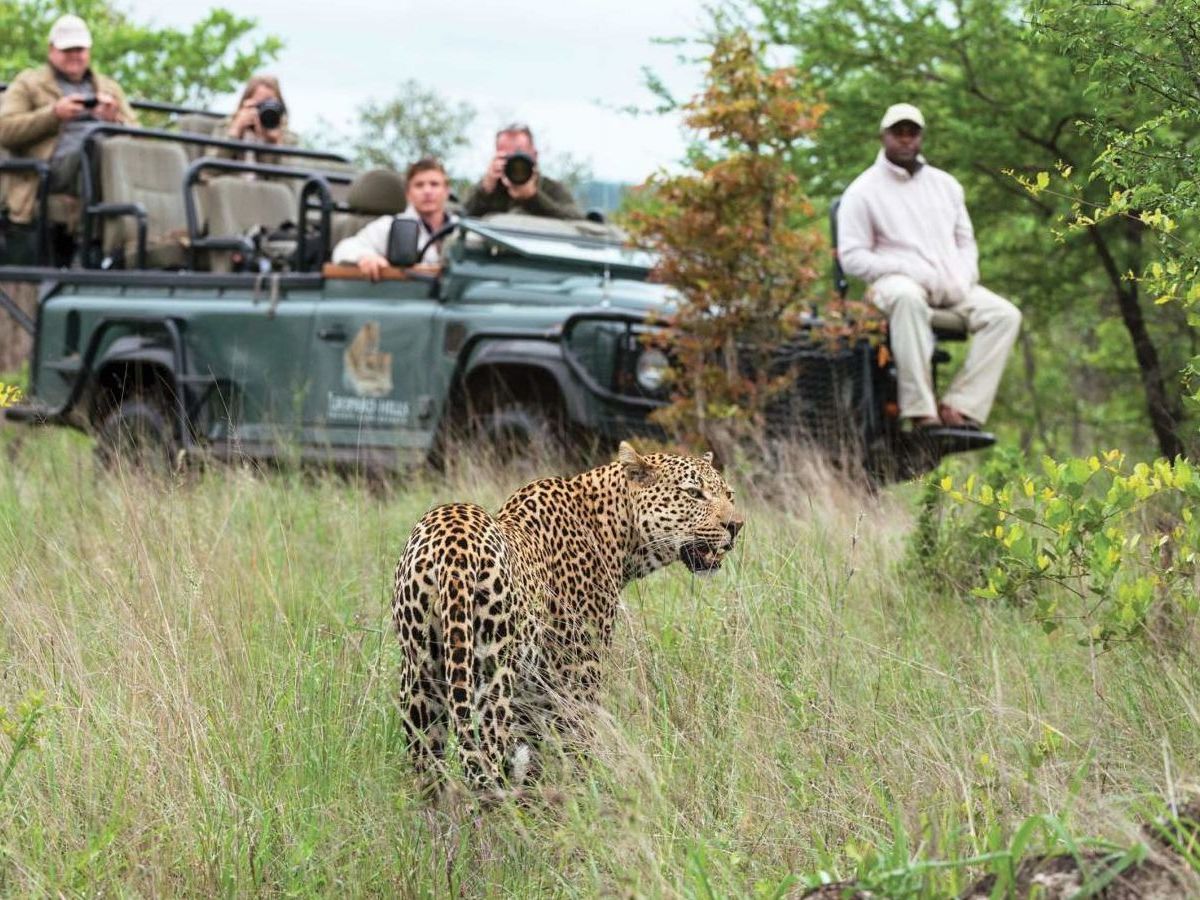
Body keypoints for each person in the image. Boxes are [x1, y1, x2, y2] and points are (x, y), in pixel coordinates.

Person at [836, 102, 1021, 430]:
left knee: (1005, 315)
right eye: (898, 132)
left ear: (921, 137)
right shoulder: (862, 192)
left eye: (912, 132)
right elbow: (852, 257)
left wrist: (964, 277)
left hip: (951, 287)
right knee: (907, 298)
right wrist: (906, 270)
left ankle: (960, 406)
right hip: (892, 285)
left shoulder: (947, 186)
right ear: (884, 136)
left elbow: (966, 243)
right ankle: (921, 410)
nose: (905, 139)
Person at [0, 14, 136, 227]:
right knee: (95, 145)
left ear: (88, 51)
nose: (74, 56)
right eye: (67, 50)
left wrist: (114, 121)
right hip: (52, 168)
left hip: (107, 163)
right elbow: (5, 130)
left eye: (79, 49)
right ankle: (87, 234)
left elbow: (139, 136)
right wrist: (54, 114)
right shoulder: (28, 83)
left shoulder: (109, 88)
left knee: (124, 150)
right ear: (51, 50)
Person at [332, 157, 457, 278]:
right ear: (408, 194)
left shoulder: (461, 229)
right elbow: (345, 248)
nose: (427, 191)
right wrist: (366, 258)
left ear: (446, 191)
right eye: (419, 185)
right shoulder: (389, 225)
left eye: (434, 184)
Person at [463, 124, 582, 220]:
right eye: (506, 157)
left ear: (534, 156)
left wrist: (533, 197)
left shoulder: (551, 188)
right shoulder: (490, 189)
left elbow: (577, 221)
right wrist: (484, 190)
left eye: (519, 156)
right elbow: (460, 216)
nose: (514, 164)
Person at [215, 75, 297, 165]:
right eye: (259, 105)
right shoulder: (225, 126)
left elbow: (291, 172)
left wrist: (276, 143)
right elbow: (209, 169)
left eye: (270, 105)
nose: (265, 111)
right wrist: (235, 132)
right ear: (246, 103)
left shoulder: (288, 137)